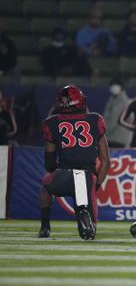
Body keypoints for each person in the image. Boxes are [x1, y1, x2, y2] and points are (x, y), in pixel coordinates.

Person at [38, 85, 111, 240]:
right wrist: (96, 184)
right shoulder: (95, 119)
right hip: (86, 176)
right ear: (80, 102)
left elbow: (49, 164)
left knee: (46, 185)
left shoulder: (51, 123)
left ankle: (45, 227)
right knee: (88, 232)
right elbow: (105, 161)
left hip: (63, 175)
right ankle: (84, 211)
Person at [103, 77, 132, 148]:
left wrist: (102, 133)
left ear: (121, 87)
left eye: (115, 85)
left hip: (118, 139)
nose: (113, 87)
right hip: (114, 138)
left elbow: (114, 121)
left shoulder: (122, 101)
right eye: (112, 85)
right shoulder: (113, 99)